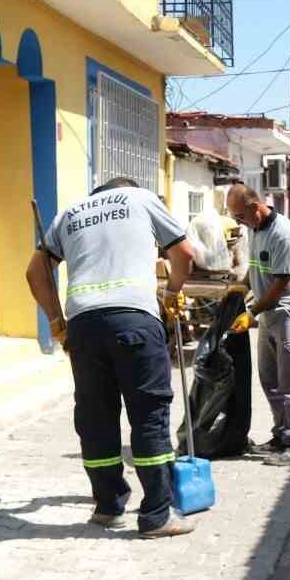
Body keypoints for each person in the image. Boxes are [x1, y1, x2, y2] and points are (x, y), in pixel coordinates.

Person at [26, 176, 198, 537]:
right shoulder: (141, 199)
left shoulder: (69, 212)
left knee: (96, 417)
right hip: (135, 318)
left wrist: (57, 322)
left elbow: (35, 272)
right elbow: (183, 253)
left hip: (84, 325)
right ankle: (156, 515)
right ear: (127, 188)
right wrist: (172, 294)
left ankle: (108, 506)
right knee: (148, 414)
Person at [227, 182, 290, 467]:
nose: (238, 221)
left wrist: (251, 312)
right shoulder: (254, 229)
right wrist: (241, 286)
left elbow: (281, 281)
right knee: (270, 379)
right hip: (269, 315)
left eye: (239, 215)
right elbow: (257, 266)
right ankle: (280, 435)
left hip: (289, 313)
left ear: (254, 207)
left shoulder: (283, 233)